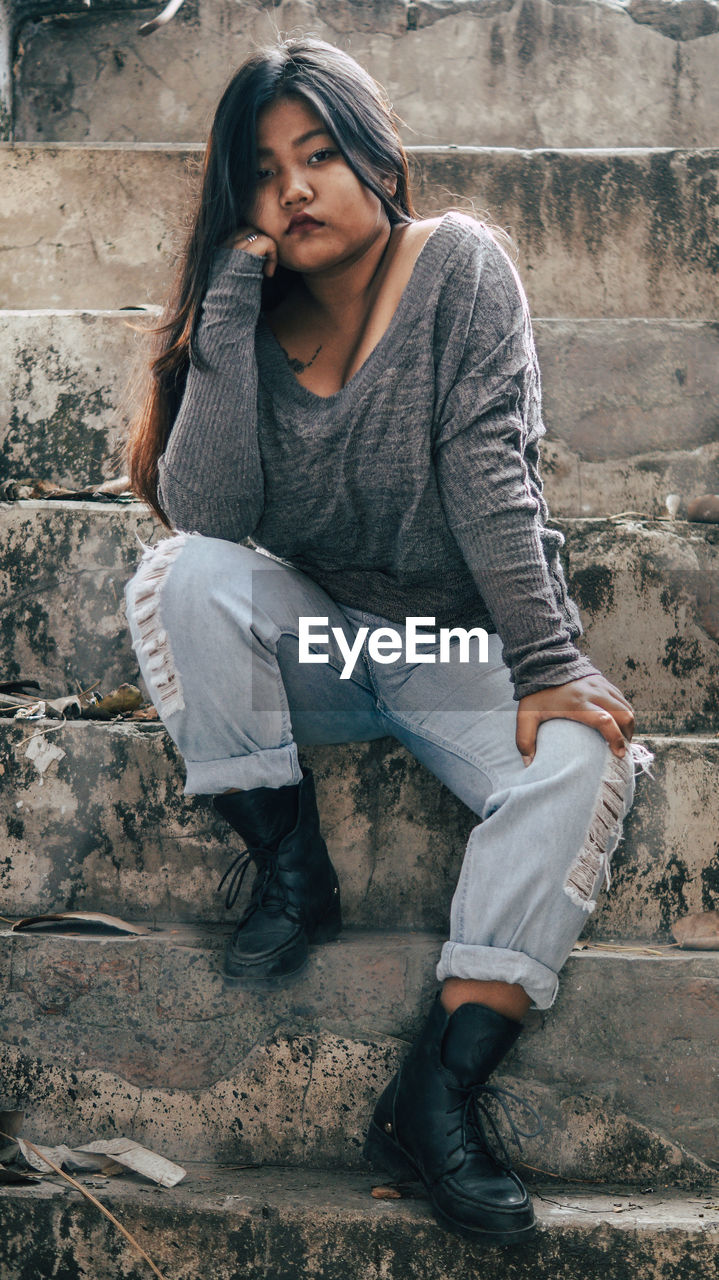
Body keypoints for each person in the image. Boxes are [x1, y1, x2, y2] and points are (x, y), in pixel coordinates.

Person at [123, 38, 651, 1247]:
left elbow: (489, 478)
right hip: (321, 645)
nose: (293, 190)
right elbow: (208, 509)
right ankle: (291, 864)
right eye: (261, 173)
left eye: (317, 154)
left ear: (374, 153)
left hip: (452, 641)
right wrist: (226, 312)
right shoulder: (247, 312)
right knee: (185, 575)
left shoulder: (456, 265)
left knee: (581, 762)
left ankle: (436, 1094)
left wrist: (547, 661)